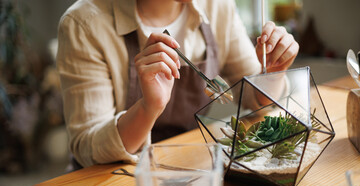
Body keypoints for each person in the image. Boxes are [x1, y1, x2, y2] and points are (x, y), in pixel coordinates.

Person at [56, 0, 299, 169]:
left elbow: (253, 96)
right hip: (108, 180)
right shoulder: (83, 24)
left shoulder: (217, 5)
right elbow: (87, 147)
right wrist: (148, 107)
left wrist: (274, 73)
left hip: (191, 167)